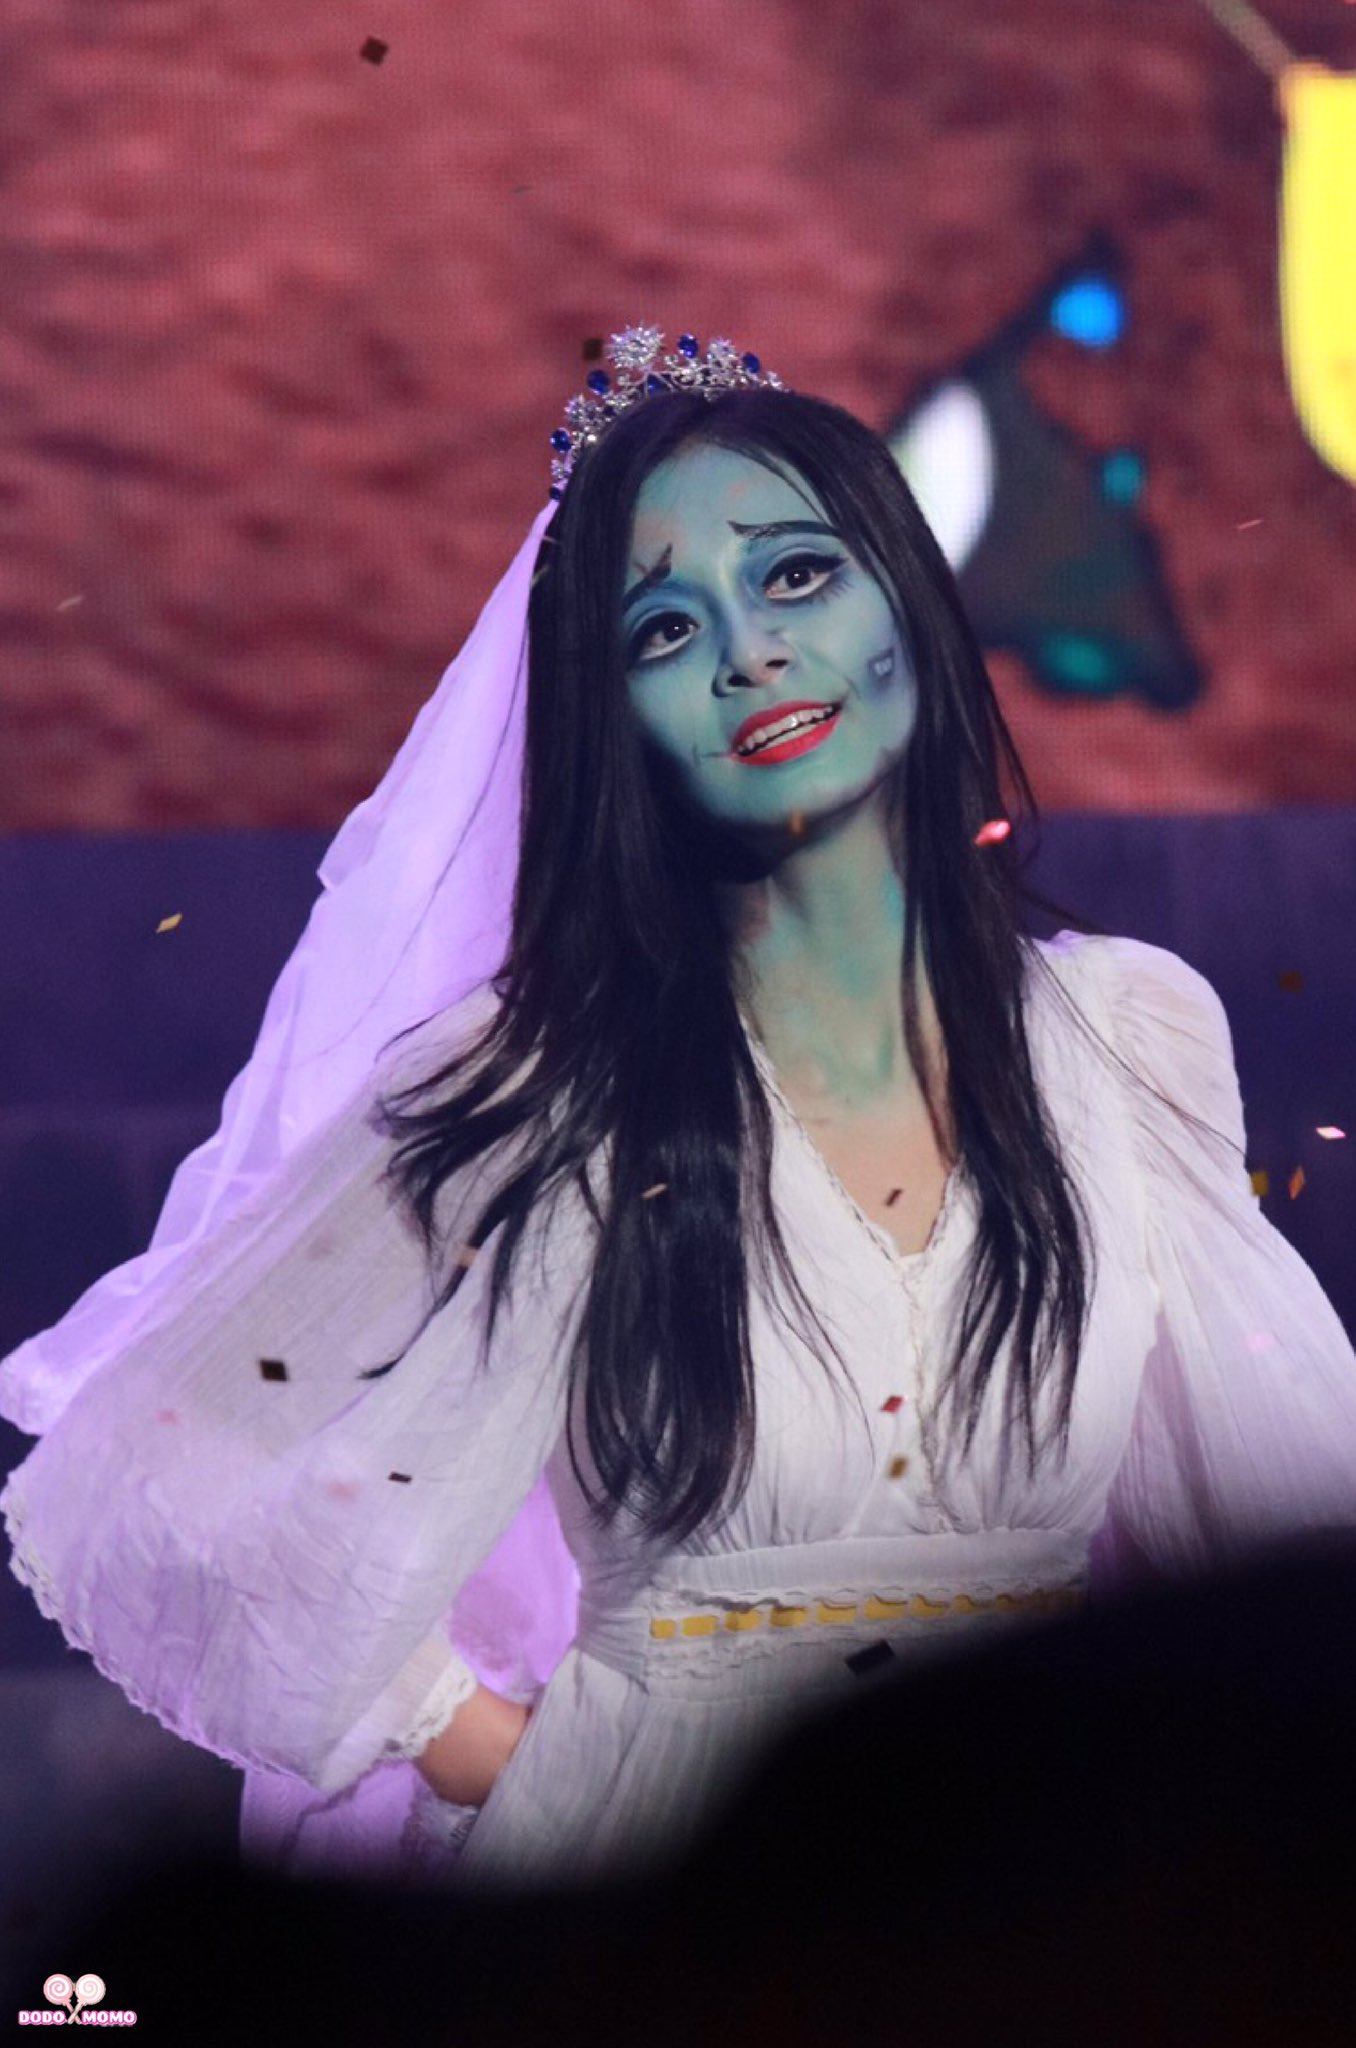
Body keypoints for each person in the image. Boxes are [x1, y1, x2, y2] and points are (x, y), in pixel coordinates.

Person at [3, 327, 1355, 1896]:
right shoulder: (531, 1086)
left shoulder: (1121, 1035)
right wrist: (485, 1754)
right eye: (664, 626)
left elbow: (1276, 1515)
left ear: (908, 603)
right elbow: (155, 1467)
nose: (748, 652)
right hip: (662, 1874)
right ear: (613, 714)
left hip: (1050, 1863)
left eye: (796, 575)